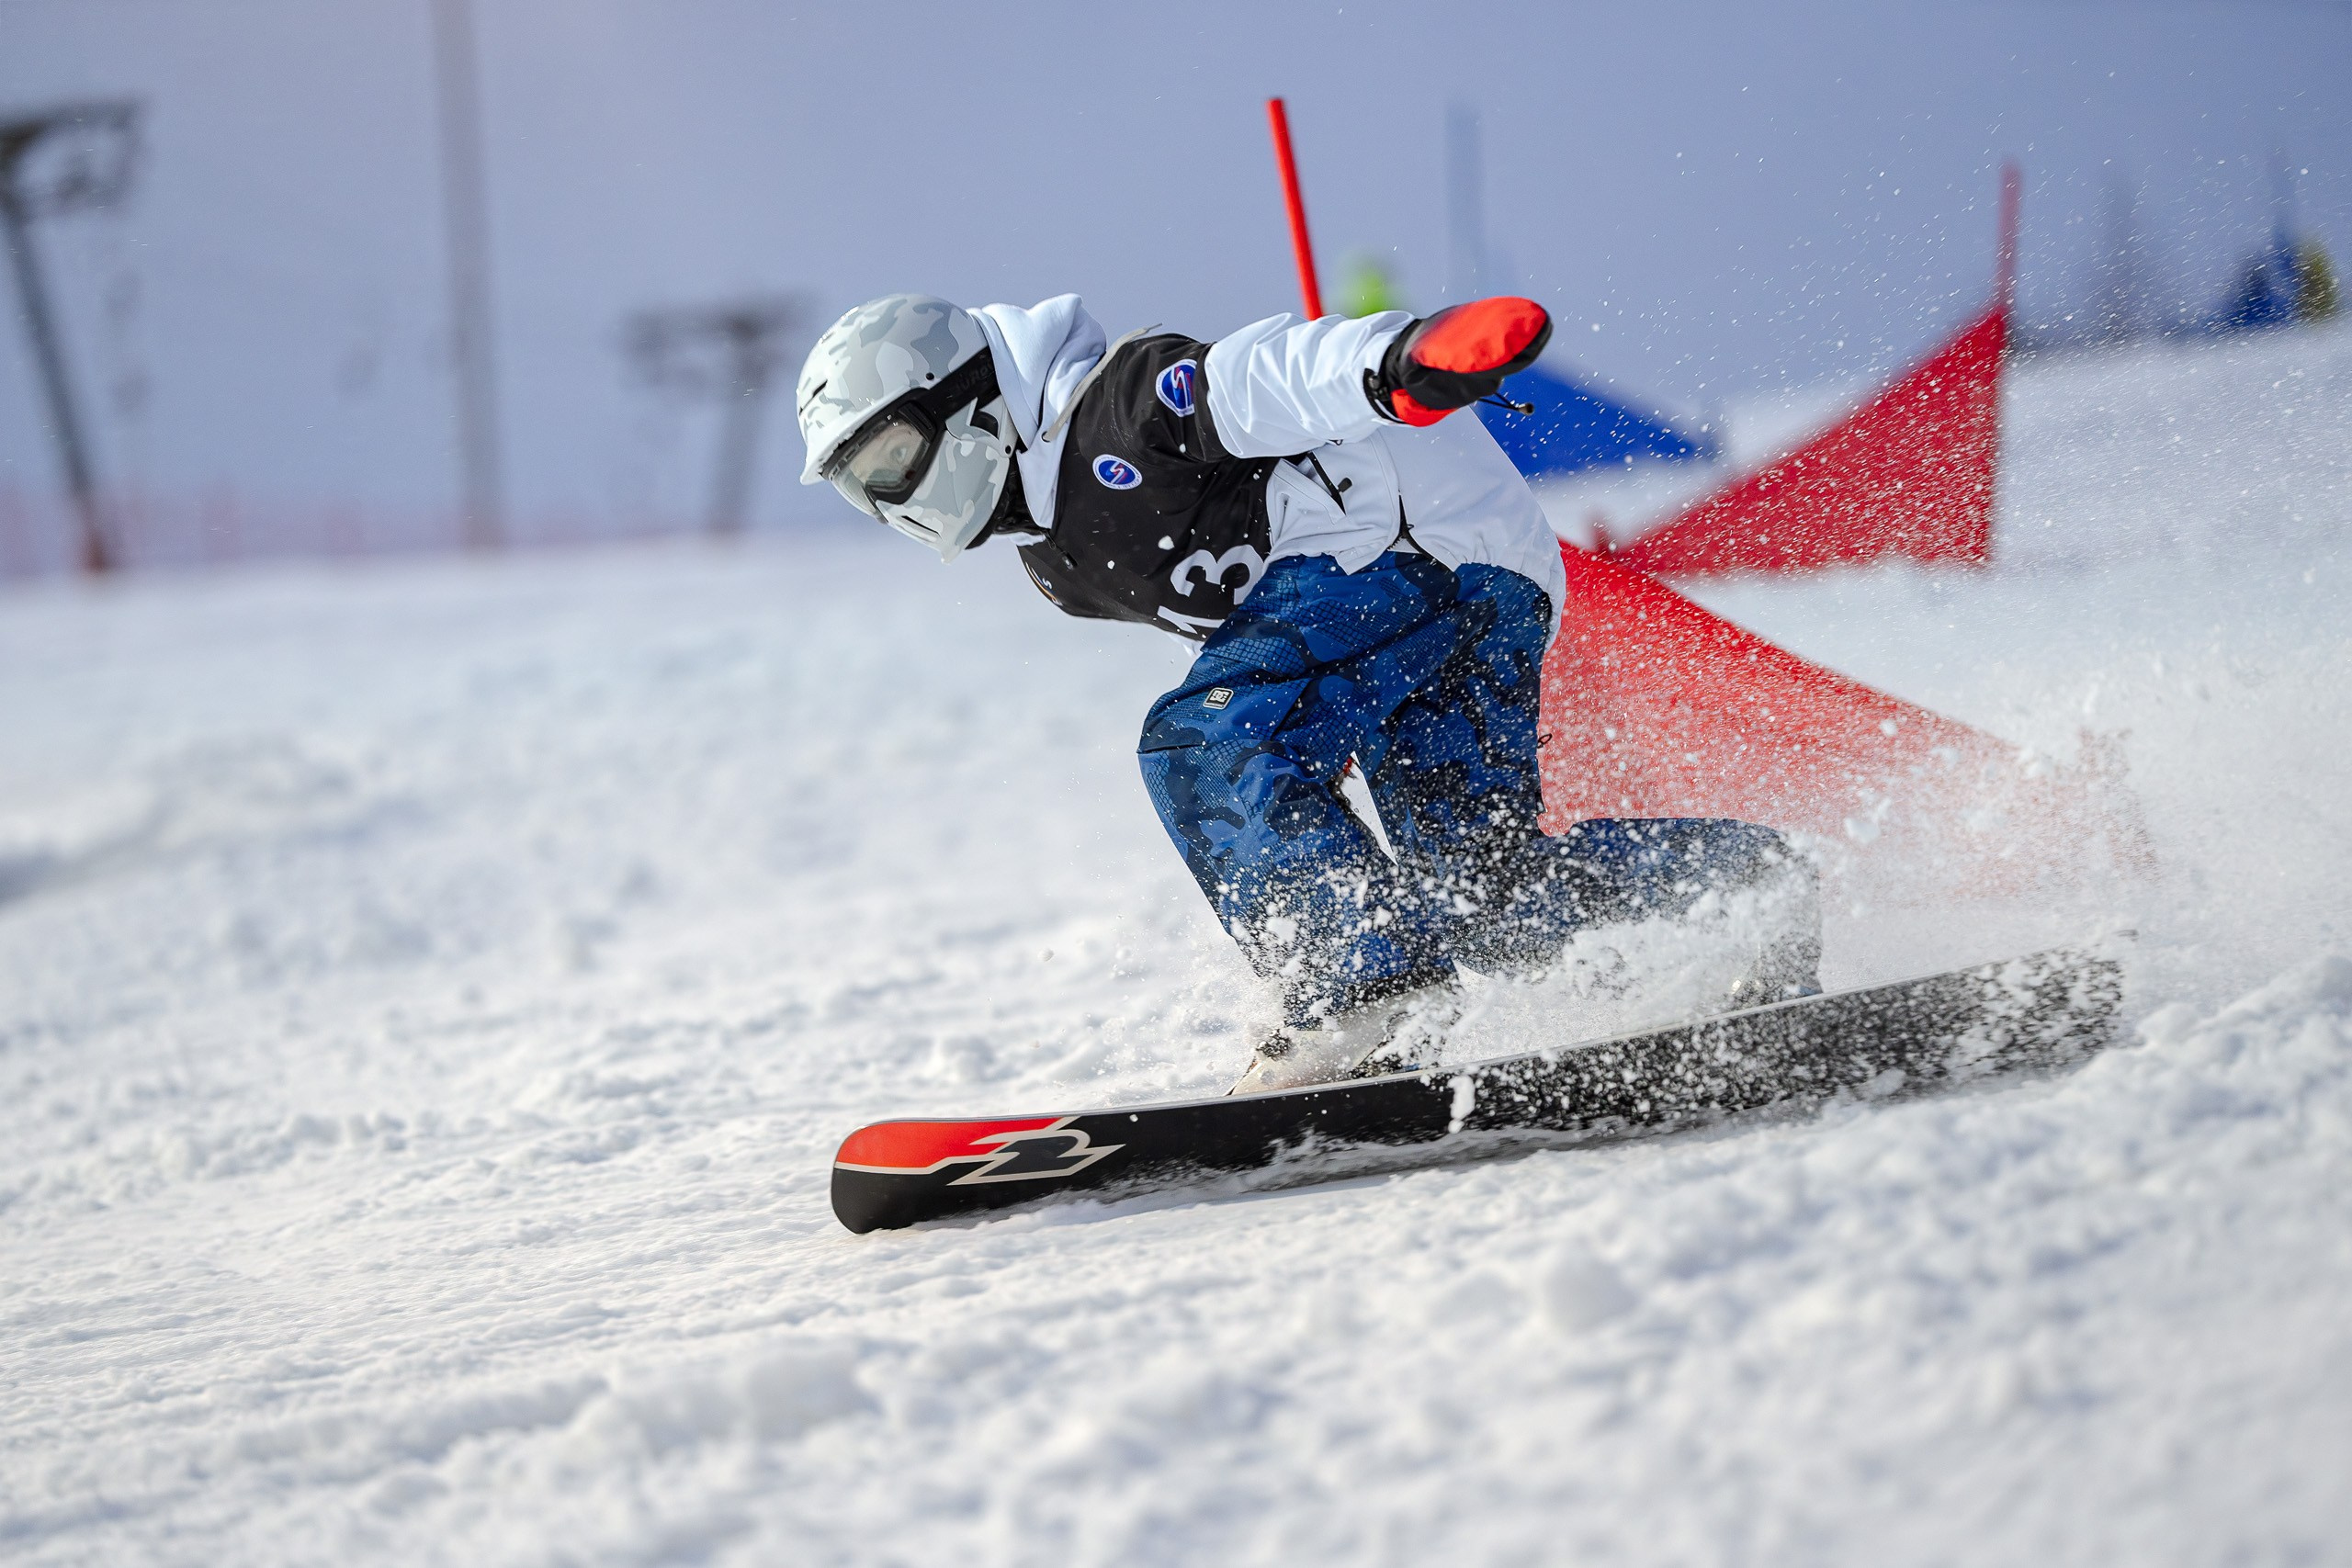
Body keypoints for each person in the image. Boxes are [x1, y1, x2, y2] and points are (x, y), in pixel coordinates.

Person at [795, 292, 1819, 1091]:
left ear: (965, 397)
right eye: (862, 491)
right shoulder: (1055, 564)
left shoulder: (1115, 406)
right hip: (1474, 590)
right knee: (1481, 889)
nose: (894, 503)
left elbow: (1267, 375)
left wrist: (1401, 360)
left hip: (1401, 545)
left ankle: (1366, 993)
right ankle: (1744, 882)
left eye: (893, 462)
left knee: (1200, 745)